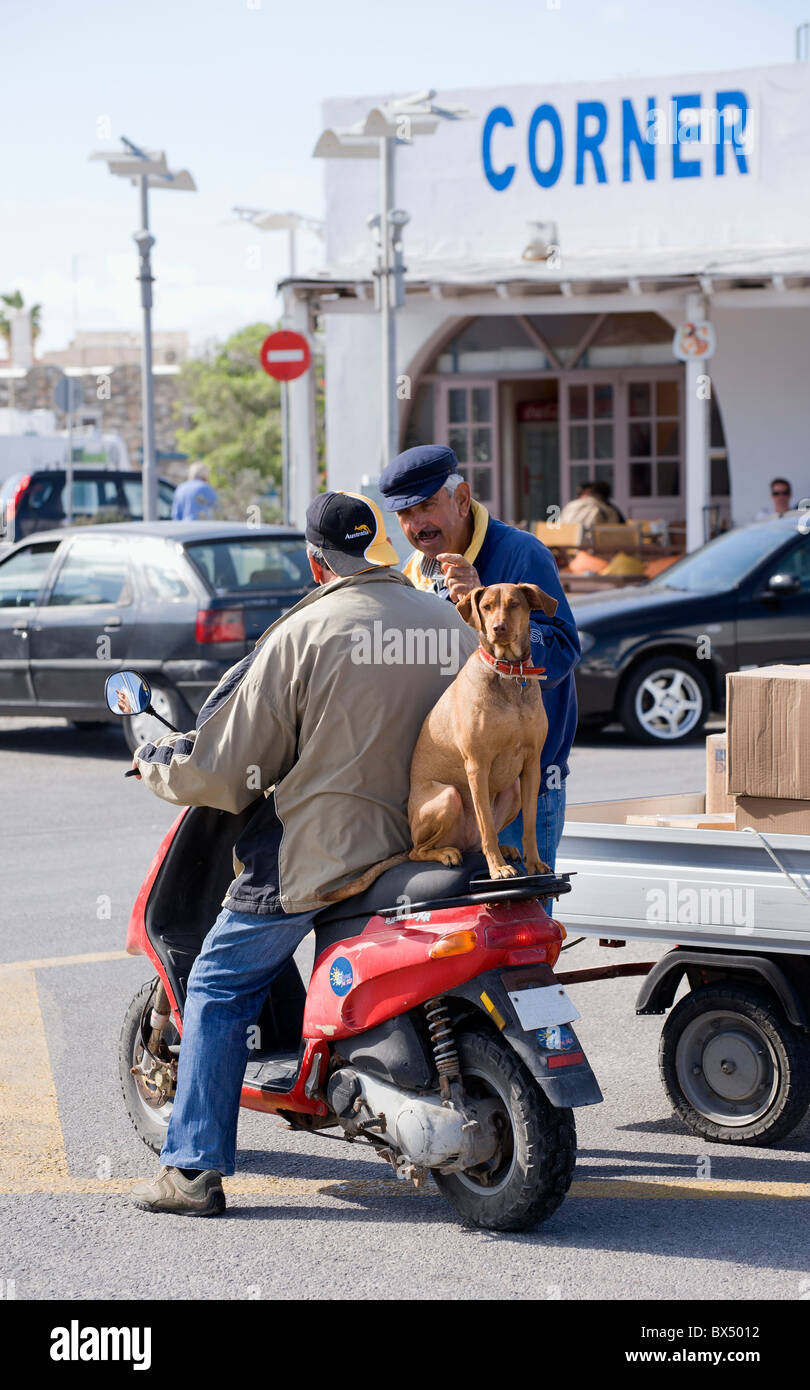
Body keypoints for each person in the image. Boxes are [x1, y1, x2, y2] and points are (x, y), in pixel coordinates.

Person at [128, 489, 477, 1216]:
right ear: (377, 543)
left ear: (315, 562)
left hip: (325, 854)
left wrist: (161, 763)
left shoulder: (304, 632)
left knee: (220, 984)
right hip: (434, 846)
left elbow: (227, 767)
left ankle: (191, 1171)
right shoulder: (446, 621)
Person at [378, 444, 580, 875]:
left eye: (427, 506)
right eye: (405, 515)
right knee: (465, 939)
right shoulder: (415, 573)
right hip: (451, 794)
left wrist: (487, 602)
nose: (417, 525)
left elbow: (563, 649)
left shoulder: (522, 553)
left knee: (522, 933)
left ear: (463, 499)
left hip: (521, 791)